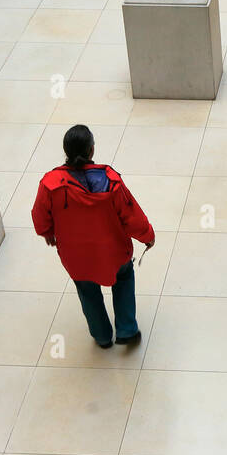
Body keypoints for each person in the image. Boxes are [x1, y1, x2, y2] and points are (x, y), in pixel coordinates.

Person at [32, 125, 155, 348]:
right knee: (124, 279)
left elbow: (40, 216)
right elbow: (131, 215)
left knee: (87, 290)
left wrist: (47, 232)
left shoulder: (50, 184)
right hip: (114, 251)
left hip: (76, 256)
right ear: (92, 150)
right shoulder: (111, 180)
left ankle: (101, 336)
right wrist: (147, 236)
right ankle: (126, 330)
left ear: (65, 151)